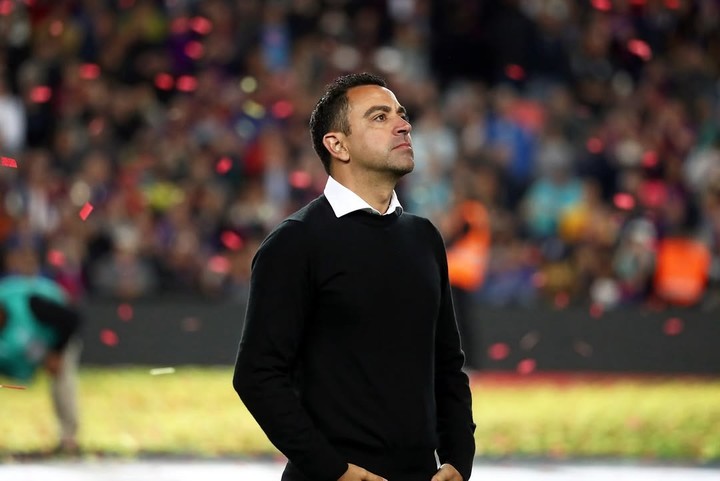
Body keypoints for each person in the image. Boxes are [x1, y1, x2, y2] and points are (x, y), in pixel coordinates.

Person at [233, 72, 476, 481]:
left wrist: (458, 458)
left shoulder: (424, 238)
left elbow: (447, 365)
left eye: (401, 114)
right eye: (380, 117)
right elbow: (257, 375)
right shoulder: (295, 242)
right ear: (338, 145)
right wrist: (334, 470)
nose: (403, 125)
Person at [0, 274, 83, 455]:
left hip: (60, 336)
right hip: (33, 346)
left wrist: (57, 353)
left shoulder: (30, 303)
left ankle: (69, 439)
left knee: (61, 384)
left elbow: (71, 320)